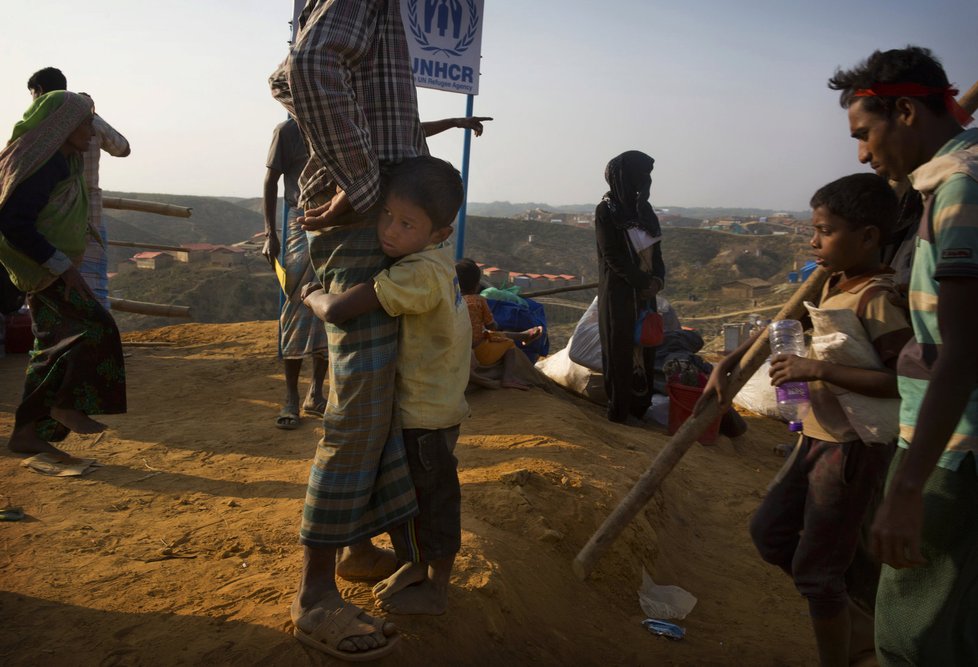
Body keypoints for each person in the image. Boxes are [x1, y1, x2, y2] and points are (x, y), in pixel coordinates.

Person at [269, 0, 427, 658]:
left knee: (378, 393)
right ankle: (313, 596)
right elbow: (306, 68)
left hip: (371, 209)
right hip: (367, 215)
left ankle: (359, 543)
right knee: (359, 405)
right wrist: (363, 182)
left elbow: (286, 75)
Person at [707, 173, 913, 666]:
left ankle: (844, 655)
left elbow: (904, 381)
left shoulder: (877, 298)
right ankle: (860, 633)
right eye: (814, 229)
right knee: (769, 534)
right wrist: (727, 362)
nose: (813, 240)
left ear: (867, 237)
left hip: (849, 448)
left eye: (825, 231)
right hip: (816, 441)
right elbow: (781, 329)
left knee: (817, 573)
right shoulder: (835, 284)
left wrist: (816, 368)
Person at [828, 46, 978, 665]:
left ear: (908, 113)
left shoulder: (960, 190)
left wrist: (910, 485)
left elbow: (964, 351)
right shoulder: (946, 181)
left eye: (865, 134)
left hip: (954, 450)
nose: (863, 154)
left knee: (913, 639)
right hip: (950, 442)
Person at [304, 155, 470, 618]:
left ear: (439, 233)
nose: (390, 231)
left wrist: (311, 295)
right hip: (436, 407)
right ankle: (415, 567)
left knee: (431, 505)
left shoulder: (415, 273)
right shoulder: (435, 260)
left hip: (426, 416)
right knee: (414, 500)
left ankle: (437, 589)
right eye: (387, 215)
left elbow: (337, 311)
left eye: (407, 224)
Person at [0, 91, 127, 461]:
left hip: (52, 269)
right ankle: (63, 408)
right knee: (91, 331)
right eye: (86, 122)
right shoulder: (44, 165)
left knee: (54, 347)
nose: (91, 130)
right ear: (65, 125)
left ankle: (30, 431)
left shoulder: (62, 160)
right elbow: (13, 223)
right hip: (43, 270)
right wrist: (59, 265)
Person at [28, 67, 130, 310]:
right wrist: (96, 117)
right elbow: (123, 148)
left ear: (39, 91)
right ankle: (99, 344)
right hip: (89, 218)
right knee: (95, 287)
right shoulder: (90, 120)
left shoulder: (37, 123)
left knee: (48, 291)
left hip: (48, 222)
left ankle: (59, 344)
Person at [261, 117, 328, 429]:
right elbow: (270, 181)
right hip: (299, 220)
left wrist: (451, 123)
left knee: (330, 303)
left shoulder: (337, 119)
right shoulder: (287, 130)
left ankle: (316, 392)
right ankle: (290, 396)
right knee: (297, 307)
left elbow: (400, 126)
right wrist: (269, 233)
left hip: (335, 218)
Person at [594, 150, 665, 423]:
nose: (645, 180)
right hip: (619, 294)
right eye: (640, 174)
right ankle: (620, 410)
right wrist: (640, 282)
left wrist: (657, 281)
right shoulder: (606, 212)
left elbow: (658, 254)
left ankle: (640, 406)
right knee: (620, 348)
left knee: (646, 346)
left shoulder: (645, 212)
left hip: (647, 294)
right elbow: (612, 256)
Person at [454, 257, 542, 390]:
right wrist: (492, 323)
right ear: (477, 284)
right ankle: (509, 378)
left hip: (457, 348)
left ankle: (524, 336)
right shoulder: (479, 301)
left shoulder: (452, 302)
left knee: (490, 335)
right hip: (478, 350)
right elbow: (492, 327)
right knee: (509, 345)